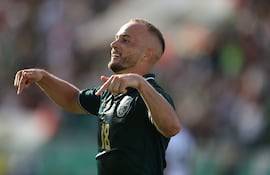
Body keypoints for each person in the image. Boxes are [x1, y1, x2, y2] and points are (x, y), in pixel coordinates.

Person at [14, 18, 181, 175]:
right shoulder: (110, 92)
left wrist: (140, 83)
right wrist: (43, 77)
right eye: (116, 39)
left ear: (147, 54)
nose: (114, 44)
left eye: (125, 40)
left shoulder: (153, 94)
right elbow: (73, 100)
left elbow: (172, 127)